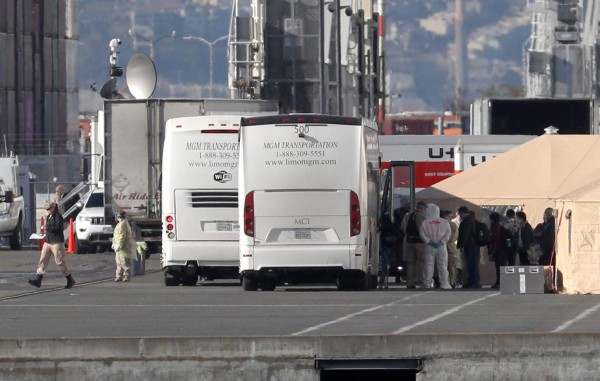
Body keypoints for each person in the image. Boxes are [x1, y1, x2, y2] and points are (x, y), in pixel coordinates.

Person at [28, 202, 75, 289]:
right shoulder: (48, 216)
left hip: (57, 242)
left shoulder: (58, 216)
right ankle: (38, 279)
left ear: (54, 208)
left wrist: (47, 228)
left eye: (49, 209)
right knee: (43, 260)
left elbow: (58, 228)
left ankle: (69, 278)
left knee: (59, 262)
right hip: (48, 241)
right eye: (46, 209)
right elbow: (48, 228)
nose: (47, 210)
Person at [419, 203, 452, 289]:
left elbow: (422, 234)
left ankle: (427, 283)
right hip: (442, 246)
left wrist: (429, 242)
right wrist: (442, 242)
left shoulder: (425, 222)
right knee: (443, 265)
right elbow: (448, 234)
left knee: (428, 265)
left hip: (430, 246)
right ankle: (444, 283)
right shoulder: (445, 222)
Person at [400, 201, 428, 288]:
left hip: (408, 241)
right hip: (419, 242)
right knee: (422, 261)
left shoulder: (407, 215)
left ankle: (410, 283)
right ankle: (420, 280)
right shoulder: (422, 216)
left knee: (410, 263)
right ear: (422, 208)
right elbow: (424, 230)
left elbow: (402, 227)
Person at [456, 206, 481, 288]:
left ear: (463, 213)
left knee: (471, 264)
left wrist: (461, 245)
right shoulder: (473, 220)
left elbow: (464, 235)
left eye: (459, 213)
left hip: (469, 245)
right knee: (474, 264)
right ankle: (475, 281)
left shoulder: (466, 221)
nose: (459, 215)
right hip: (475, 245)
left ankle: (473, 281)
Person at [112, 210, 135, 282]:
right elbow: (116, 236)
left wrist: (119, 245)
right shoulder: (121, 223)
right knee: (119, 262)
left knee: (124, 262)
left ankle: (126, 276)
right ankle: (119, 276)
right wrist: (114, 243)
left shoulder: (122, 224)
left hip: (123, 246)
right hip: (119, 245)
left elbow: (122, 236)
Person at [378, 215, 400, 289]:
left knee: (384, 263)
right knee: (389, 263)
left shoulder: (383, 227)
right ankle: (389, 278)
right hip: (392, 247)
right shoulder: (393, 227)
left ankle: (382, 278)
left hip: (385, 246)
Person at [489, 212, 509, 289]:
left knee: (499, 267)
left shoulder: (495, 226)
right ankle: (501, 282)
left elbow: (496, 238)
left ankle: (499, 282)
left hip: (499, 249)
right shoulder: (501, 225)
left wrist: (493, 249)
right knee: (502, 266)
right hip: (504, 249)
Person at [442, 210, 459, 288]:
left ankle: (443, 282)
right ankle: (452, 283)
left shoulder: (440, 223)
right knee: (451, 267)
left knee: (442, 267)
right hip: (451, 248)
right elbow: (454, 237)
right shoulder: (453, 225)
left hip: (442, 247)